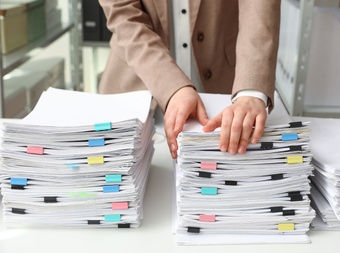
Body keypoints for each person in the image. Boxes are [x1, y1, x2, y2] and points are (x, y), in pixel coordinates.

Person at [98, 0, 281, 159]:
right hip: (138, 85)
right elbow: (123, 14)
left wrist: (250, 91)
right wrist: (172, 86)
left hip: (225, 93)